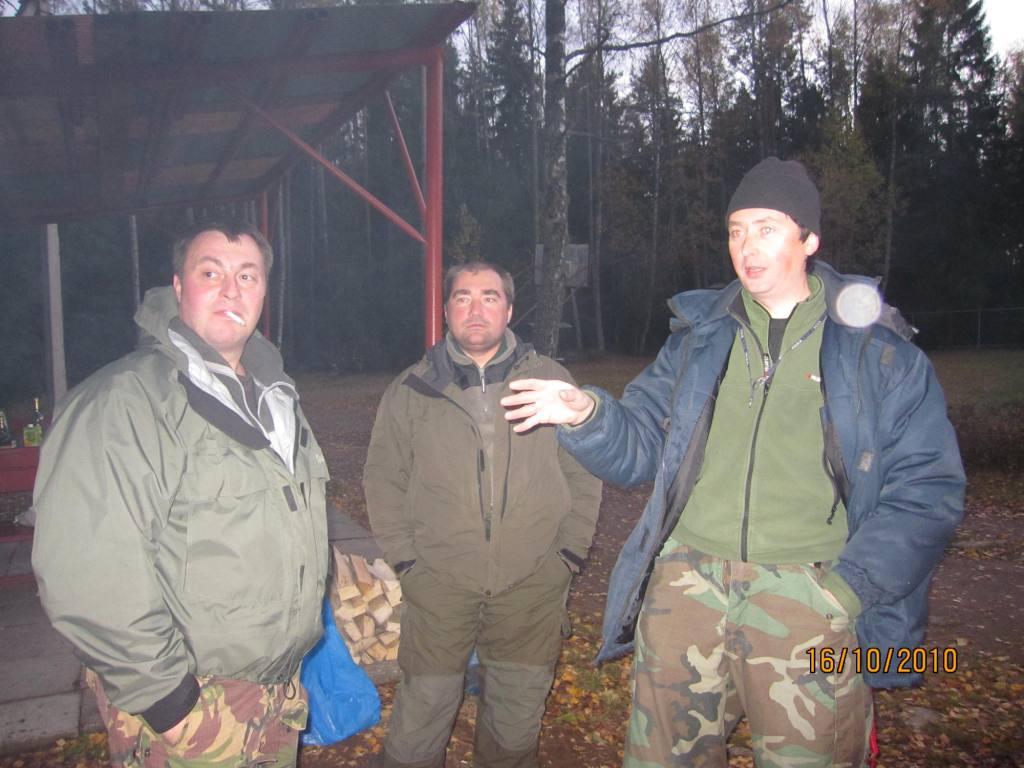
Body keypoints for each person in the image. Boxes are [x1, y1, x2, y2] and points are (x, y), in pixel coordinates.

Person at [500, 157, 966, 767]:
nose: (746, 246)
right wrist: (588, 414)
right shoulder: (697, 341)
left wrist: (847, 592)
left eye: (766, 228)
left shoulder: (880, 357)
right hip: (687, 589)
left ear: (809, 239)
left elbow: (928, 491)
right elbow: (640, 447)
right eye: (736, 230)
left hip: (810, 595)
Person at [30, 222, 330, 767]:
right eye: (210, 273)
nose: (232, 290)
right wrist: (172, 704)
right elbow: (88, 573)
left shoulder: (277, 399)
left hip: (275, 690)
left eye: (248, 276)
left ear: (265, 291)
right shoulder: (124, 401)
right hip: (193, 702)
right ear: (177, 286)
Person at [364, 261, 602, 768]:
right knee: (422, 712)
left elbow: (584, 470)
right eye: (463, 297)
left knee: (516, 716)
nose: (476, 309)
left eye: (489, 297)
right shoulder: (412, 389)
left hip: (532, 583)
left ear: (509, 310)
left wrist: (567, 554)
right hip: (439, 581)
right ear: (446, 310)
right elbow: (383, 478)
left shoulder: (549, 380)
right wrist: (407, 562)